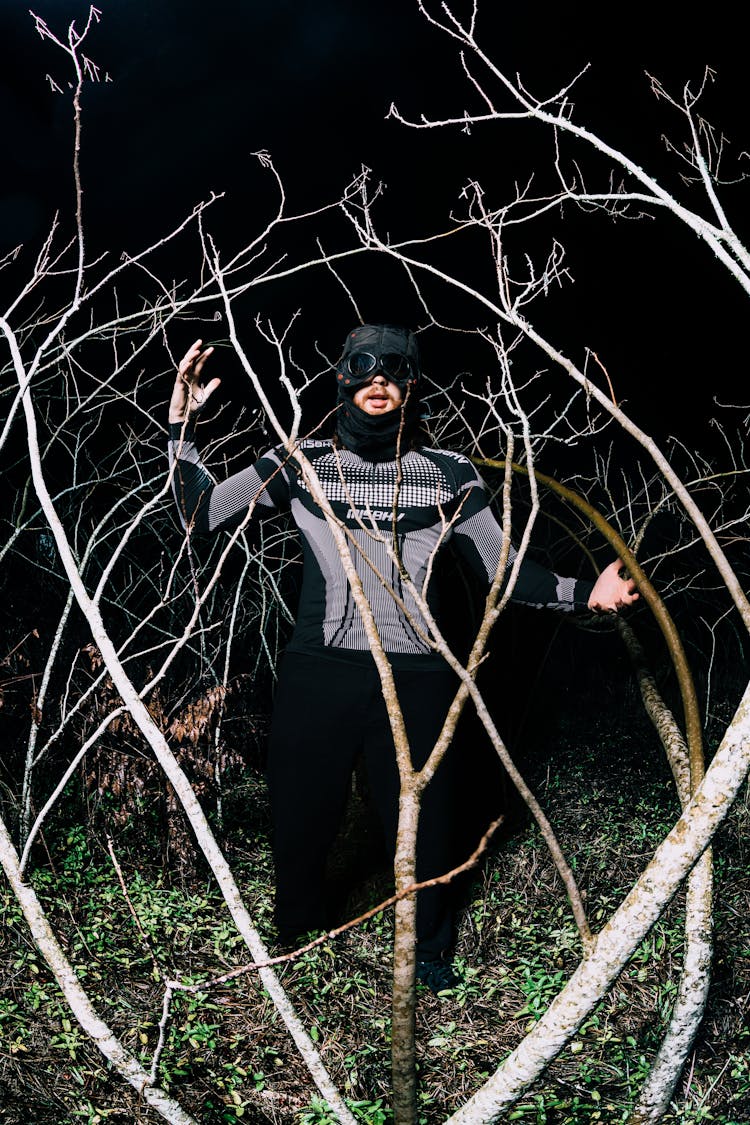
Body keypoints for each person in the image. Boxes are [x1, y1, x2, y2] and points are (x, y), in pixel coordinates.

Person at [168, 324, 637, 993]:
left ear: (412, 385)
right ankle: (298, 943)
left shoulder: (448, 473)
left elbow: (501, 568)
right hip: (319, 672)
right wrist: (181, 423)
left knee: (427, 822)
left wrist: (582, 592)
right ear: (342, 376)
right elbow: (199, 511)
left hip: (419, 673)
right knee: (301, 816)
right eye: (364, 364)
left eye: (396, 368)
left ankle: (427, 948)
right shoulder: (298, 461)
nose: (379, 378)